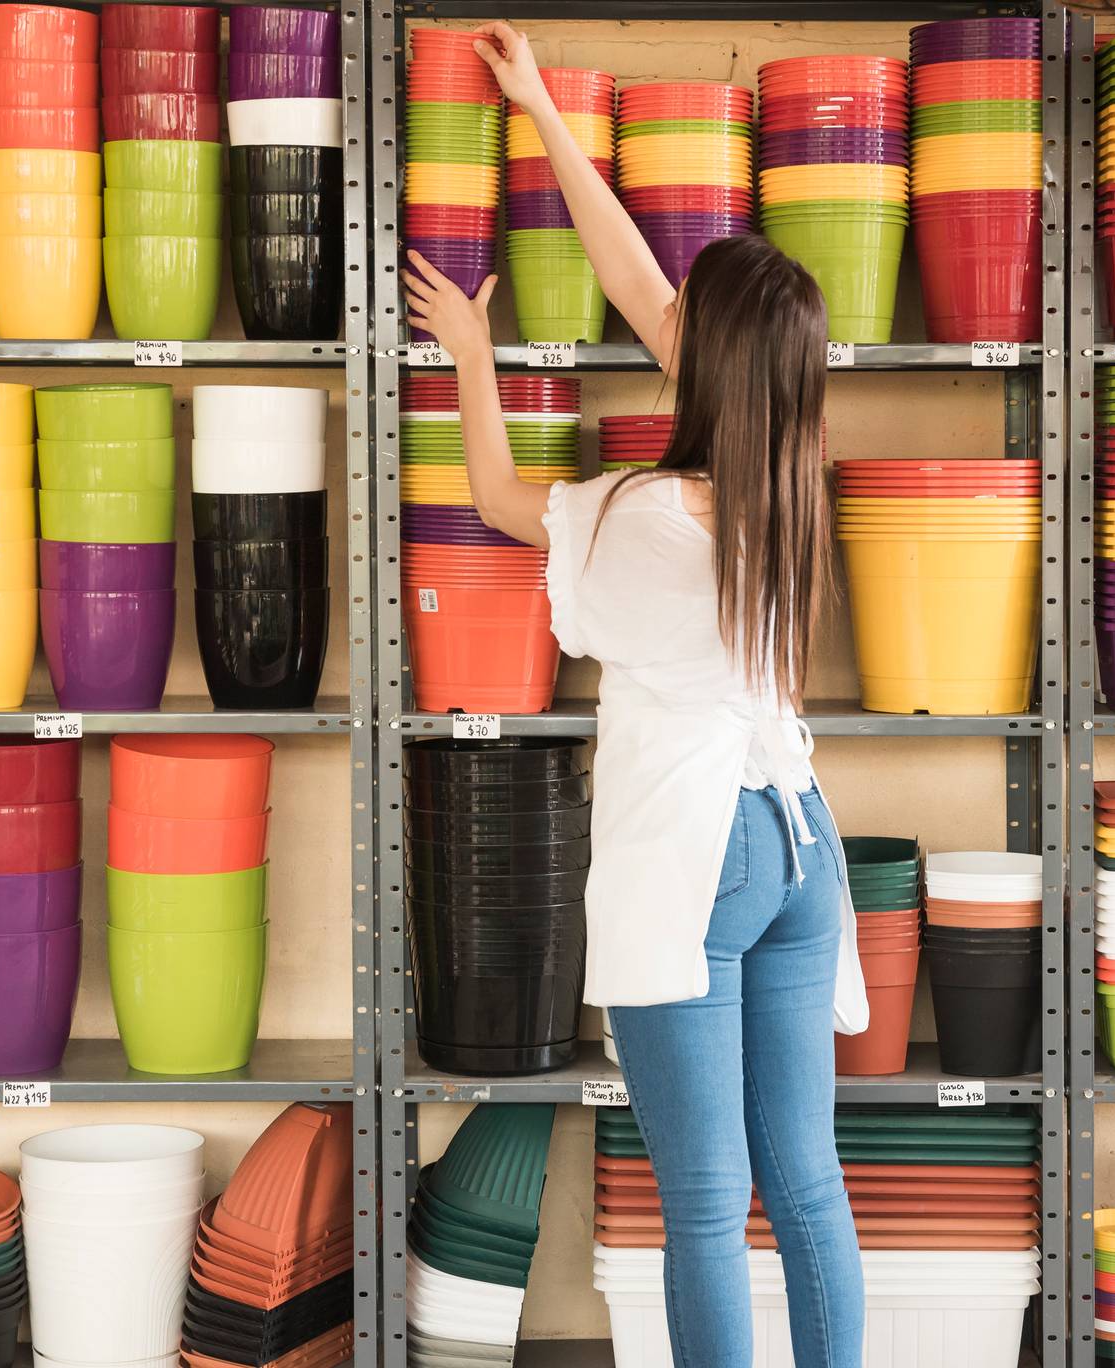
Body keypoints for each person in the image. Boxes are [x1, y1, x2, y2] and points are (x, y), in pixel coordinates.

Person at [401, 22, 869, 1368]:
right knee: (807, 1184)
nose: (661, 315)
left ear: (706, 365)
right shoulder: (788, 481)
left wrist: (475, 353)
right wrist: (543, 109)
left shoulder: (639, 519)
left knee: (707, 1207)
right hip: (797, 842)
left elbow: (497, 501)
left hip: (699, 850)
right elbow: (642, 281)